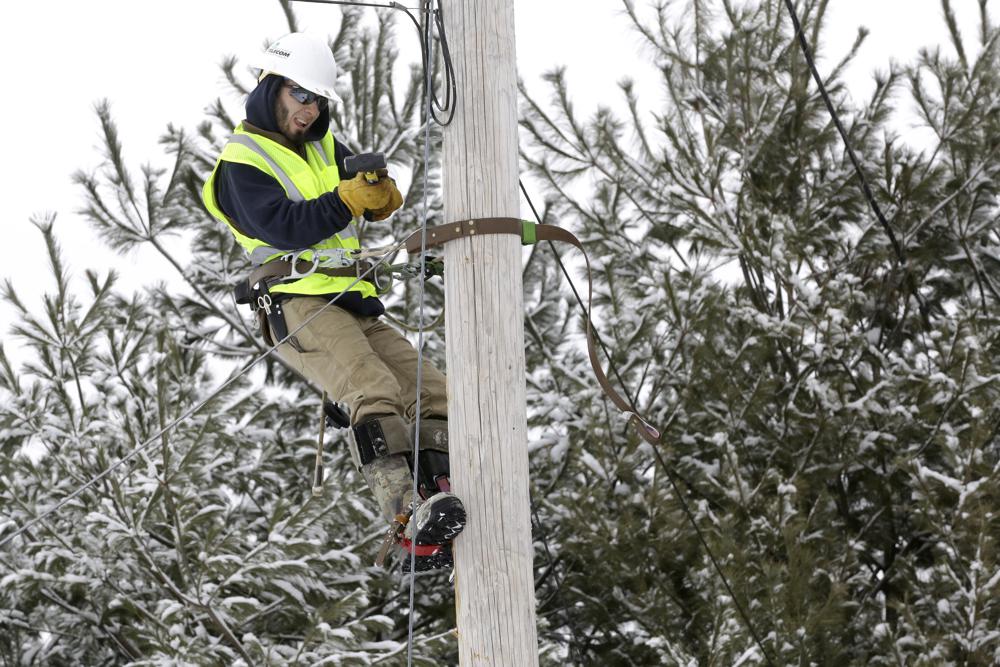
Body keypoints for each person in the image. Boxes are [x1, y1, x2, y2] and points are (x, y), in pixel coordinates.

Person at [201, 32, 465, 572]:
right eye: (301, 95)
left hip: (352, 297)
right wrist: (348, 199)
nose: (310, 109)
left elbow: (364, 198)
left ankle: (445, 491)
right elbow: (283, 225)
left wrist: (377, 190)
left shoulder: (324, 145)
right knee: (372, 388)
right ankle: (404, 515)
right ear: (272, 88)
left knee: (431, 390)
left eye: (318, 100)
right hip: (300, 303)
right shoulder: (241, 162)